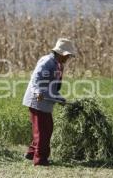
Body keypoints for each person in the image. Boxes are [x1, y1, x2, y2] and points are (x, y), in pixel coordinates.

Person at [22, 38, 76, 166]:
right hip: (37, 101)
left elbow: (54, 87)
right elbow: (36, 78)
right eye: (67, 55)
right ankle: (40, 160)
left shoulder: (59, 65)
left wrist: (60, 98)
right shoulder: (47, 61)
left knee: (47, 129)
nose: (68, 58)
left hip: (46, 101)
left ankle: (31, 153)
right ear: (60, 53)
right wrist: (36, 92)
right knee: (42, 131)